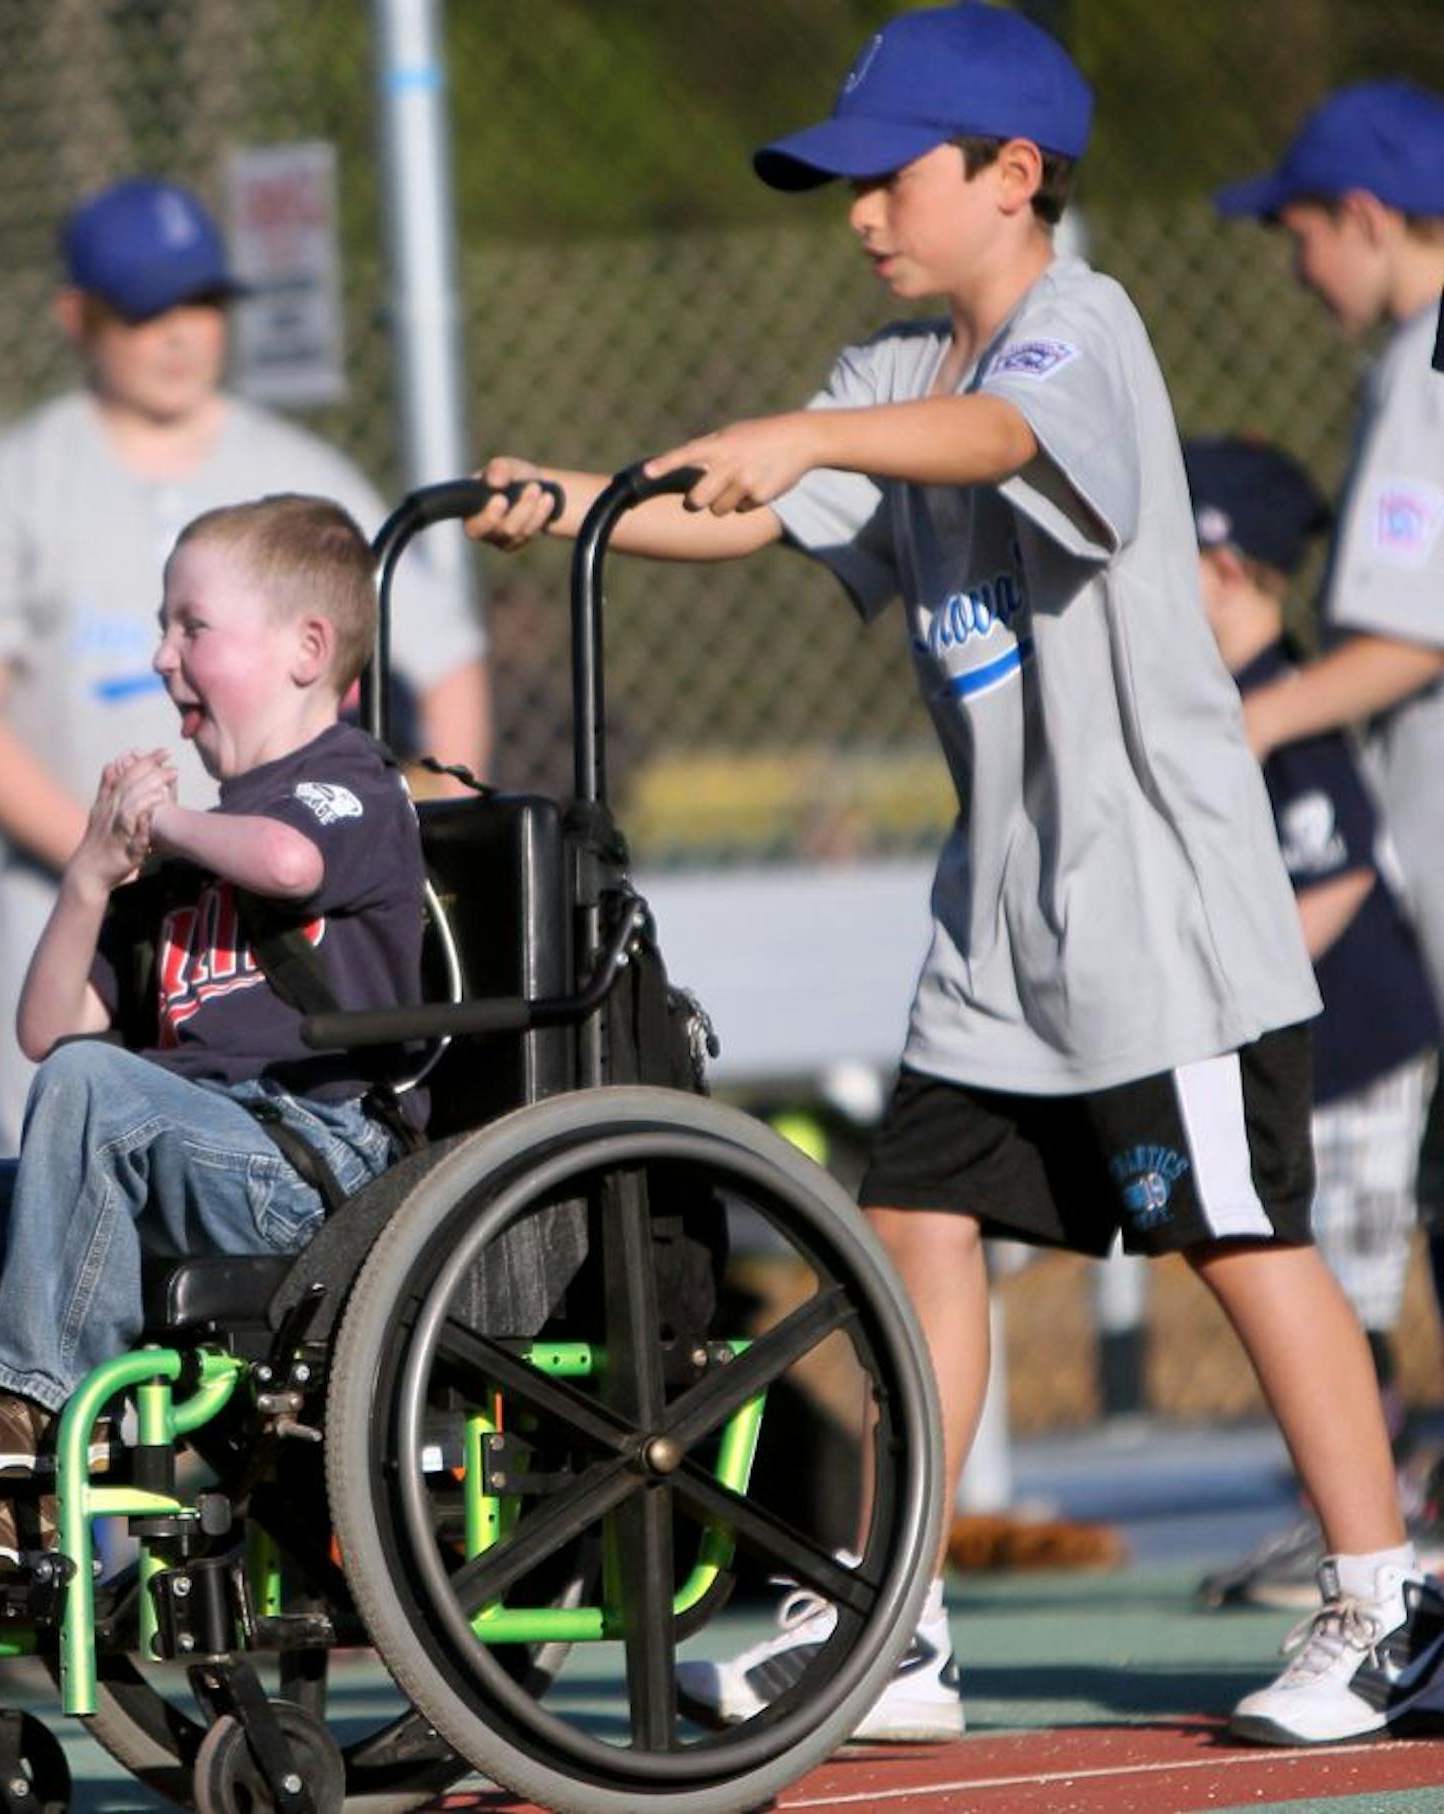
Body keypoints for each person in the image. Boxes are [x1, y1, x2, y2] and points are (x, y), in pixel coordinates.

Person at [465, 2, 1440, 1751]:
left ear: (1010, 177)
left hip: (1162, 920)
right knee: (916, 1220)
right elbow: (754, 499)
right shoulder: (877, 380)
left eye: (886, 176)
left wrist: (812, 440)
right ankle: (892, 1617)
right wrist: (582, 497)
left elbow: (995, 445)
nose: (857, 213)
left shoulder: (1083, 333)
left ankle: (1383, 1590)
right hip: (999, 928)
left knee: (1234, 1231)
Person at [0, 495, 426, 1585]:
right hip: (158, 1158)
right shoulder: (172, 862)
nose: (164, 658)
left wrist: (163, 826)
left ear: (307, 647)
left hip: (309, 1164)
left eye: (191, 626)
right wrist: (91, 873)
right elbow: (45, 1026)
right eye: (164, 629)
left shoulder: (350, 783)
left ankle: (30, 1405)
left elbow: (292, 866)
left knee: (96, 1085)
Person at [0, 176, 487, 1149]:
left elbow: (450, 662)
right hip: (67, 892)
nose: (179, 334)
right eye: (144, 310)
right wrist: (112, 857)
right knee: (60, 1142)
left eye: (202, 304)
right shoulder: (23, 480)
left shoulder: (297, 472)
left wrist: (413, 841)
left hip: (266, 917)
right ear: (77, 317)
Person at [1216, 81, 1444, 1455]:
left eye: (1301, 232)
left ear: (1365, 217)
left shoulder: (1427, 364)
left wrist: (1248, 723)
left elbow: (1412, 636)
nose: (1297, 267)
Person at [1180, 435, 1443, 1612]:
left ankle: (1381, 1521)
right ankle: (1342, 1516)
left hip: (1365, 1050)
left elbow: (1337, 873)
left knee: (1356, 1290)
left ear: (1228, 564)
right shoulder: (1224, 702)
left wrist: (1235, 968)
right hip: (1309, 1056)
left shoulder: (1278, 706)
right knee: (1328, 1273)